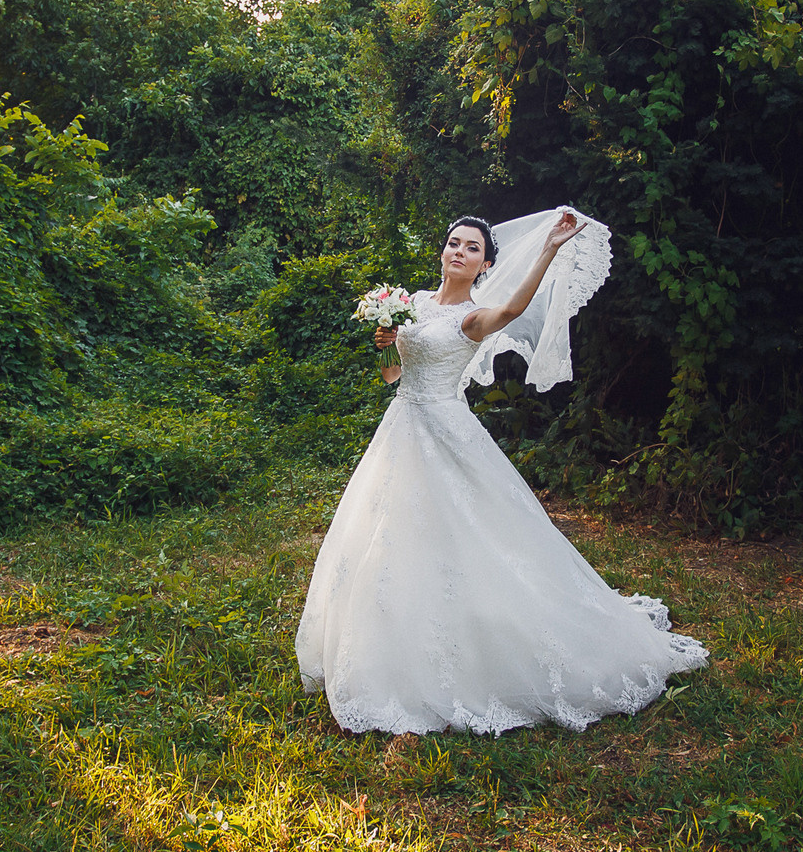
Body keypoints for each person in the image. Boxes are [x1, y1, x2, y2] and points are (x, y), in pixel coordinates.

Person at [295, 208, 709, 735]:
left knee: (475, 536)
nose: (459, 252)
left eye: (472, 248)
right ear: (442, 251)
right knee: (389, 537)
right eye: (453, 243)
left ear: (485, 263)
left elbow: (515, 308)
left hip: (447, 429)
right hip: (401, 428)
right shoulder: (412, 305)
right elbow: (395, 375)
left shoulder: (473, 317)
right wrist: (385, 342)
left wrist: (549, 249)